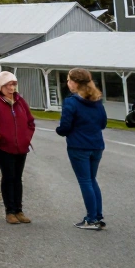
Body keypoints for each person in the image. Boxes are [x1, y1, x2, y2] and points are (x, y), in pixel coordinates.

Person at [0, 71, 36, 224]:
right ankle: (9, 211)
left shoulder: (20, 101)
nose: (12, 88)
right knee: (8, 176)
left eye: (14, 84)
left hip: (21, 147)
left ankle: (19, 210)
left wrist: (26, 137)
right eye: (9, 84)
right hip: (3, 148)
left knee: (17, 178)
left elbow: (30, 122)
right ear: (1, 86)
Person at [56, 67, 107, 230]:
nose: (68, 83)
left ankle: (91, 218)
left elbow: (65, 126)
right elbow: (103, 123)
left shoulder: (71, 102)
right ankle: (97, 215)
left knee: (85, 181)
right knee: (92, 180)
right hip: (96, 145)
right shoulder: (97, 100)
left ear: (76, 83)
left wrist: (60, 131)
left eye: (69, 80)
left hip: (78, 146)